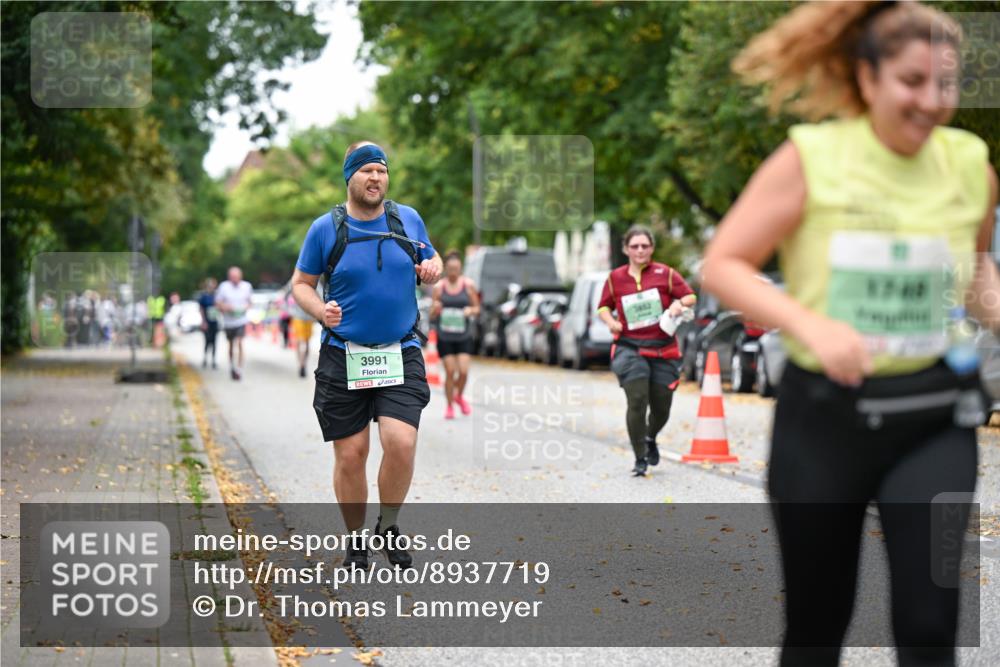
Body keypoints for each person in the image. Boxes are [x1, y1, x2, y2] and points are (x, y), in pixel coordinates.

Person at [702, 2, 999, 665]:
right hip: (824, 421)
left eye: (946, 84)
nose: (931, 101)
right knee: (817, 625)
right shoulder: (813, 157)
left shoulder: (970, 163)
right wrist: (811, 323)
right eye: (912, 81)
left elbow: (975, 267)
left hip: (934, 418)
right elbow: (724, 262)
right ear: (868, 78)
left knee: (930, 625)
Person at [291, 140, 442, 570]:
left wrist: (430, 268)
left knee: (401, 442)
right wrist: (322, 311)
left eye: (381, 170)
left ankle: (388, 526)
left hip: (401, 350)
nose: (375, 178)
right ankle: (355, 539)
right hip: (343, 354)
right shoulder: (326, 228)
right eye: (366, 171)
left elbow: (429, 262)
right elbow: (301, 283)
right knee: (351, 454)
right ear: (349, 177)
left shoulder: (406, 219)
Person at [597, 226, 696, 476]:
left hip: (663, 349)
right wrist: (611, 322)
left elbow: (691, 296)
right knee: (638, 399)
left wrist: (677, 304)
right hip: (630, 348)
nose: (640, 250)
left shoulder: (666, 273)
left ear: (651, 248)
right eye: (634, 246)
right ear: (625, 249)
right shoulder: (615, 278)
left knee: (662, 407)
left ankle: (651, 437)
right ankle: (640, 456)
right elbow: (603, 307)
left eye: (644, 246)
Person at [430, 250, 480, 419]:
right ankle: (450, 406)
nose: (453, 272)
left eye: (456, 268)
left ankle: (459, 395)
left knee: (464, 371)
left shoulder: (468, 285)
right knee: (450, 372)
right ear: (446, 269)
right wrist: (435, 309)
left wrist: (470, 311)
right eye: (450, 269)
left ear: (460, 269)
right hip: (445, 336)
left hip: (463, 334)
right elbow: (431, 313)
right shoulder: (439, 287)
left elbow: (477, 308)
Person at [215, 267, 253, 381]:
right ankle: (232, 365)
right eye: (232, 277)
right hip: (228, 321)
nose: (235, 279)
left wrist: (244, 308)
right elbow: (218, 303)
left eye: (236, 277)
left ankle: (239, 369)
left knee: (240, 342)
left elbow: (250, 303)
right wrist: (226, 307)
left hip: (241, 320)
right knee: (231, 344)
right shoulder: (224, 287)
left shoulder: (246, 286)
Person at [288, 289, 316, 378]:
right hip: (298, 317)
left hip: (308, 317)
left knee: (305, 342)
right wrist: (290, 310)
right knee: (300, 341)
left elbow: (321, 294)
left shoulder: (314, 278)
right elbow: (284, 296)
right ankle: (301, 364)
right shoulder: (294, 280)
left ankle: (303, 364)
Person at [198, 277, 219, 369]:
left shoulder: (217, 296)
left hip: (214, 321)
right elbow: (201, 309)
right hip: (207, 321)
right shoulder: (204, 296)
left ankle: (213, 360)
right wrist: (203, 321)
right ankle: (205, 358)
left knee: (214, 341)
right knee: (207, 341)